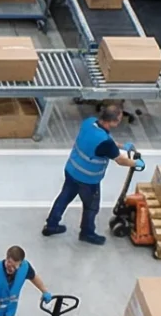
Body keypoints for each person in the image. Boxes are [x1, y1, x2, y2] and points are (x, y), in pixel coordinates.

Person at [43, 102, 136, 245]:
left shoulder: (89, 123)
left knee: (64, 197)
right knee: (91, 207)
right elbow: (120, 160)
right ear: (114, 121)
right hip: (88, 180)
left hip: (72, 170)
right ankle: (87, 233)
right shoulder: (105, 143)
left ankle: (51, 225)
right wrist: (136, 163)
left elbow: (103, 141)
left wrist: (122, 146)